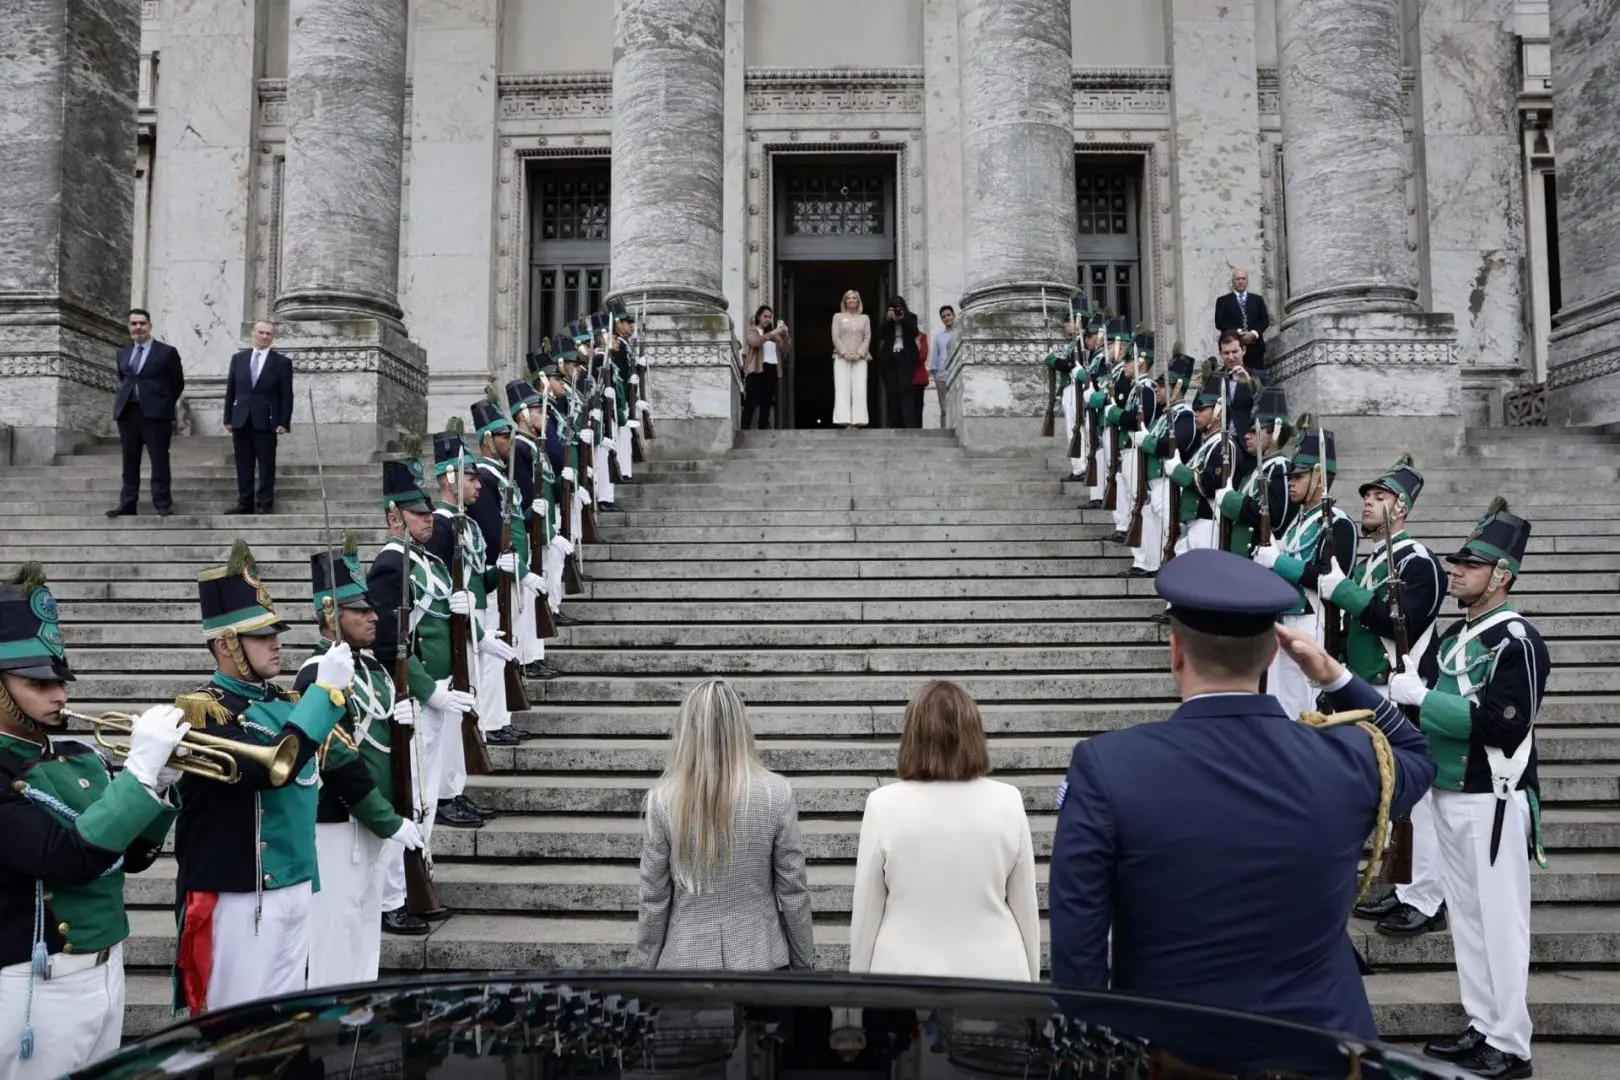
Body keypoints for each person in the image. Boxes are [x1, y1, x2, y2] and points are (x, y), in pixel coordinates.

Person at [1048, 549, 1436, 1069]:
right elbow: (1416, 754)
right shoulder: (1348, 759)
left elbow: (1079, 946)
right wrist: (1335, 677)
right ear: (1274, 655)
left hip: (1177, 1055)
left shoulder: (1108, 766)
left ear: (1176, 652)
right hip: (1321, 1052)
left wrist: (1090, 1050)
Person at [0, 564, 185, 1078]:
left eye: (60, 679)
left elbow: (131, 858)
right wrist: (138, 773)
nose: (60, 694)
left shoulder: (79, 757)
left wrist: (159, 784)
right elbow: (66, 858)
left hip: (108, 969)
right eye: (38, 682)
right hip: (38, 985)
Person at [1384, 500, 1545, 1079]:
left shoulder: (1517, 641)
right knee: (1470, 922)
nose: (1456, 571)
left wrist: (1424, 699)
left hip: (1492, 799)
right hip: (1448, 792)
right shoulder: (1459, 632)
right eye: (1457, 562)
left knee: (1500, 923)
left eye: (1471, 565)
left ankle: (1512, 1043)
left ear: (1501, 575)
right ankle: (1483, 1025)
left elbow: (1506, 723)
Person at [171, 540, 354, 1014]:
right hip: (242, 893)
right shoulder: (203, 711)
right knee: (238, 1027)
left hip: (294, 883)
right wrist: (324, 693)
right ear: (224, 644)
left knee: (285, 1027)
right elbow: (269, 767)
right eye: (261, 636)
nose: (277, 642)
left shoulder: (285, 703)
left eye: (275, 632)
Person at [849, 681, 1038, 980]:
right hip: (997, 975)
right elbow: (1026, 910)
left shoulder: (883, 805)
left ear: (914, 734)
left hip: (903, 975)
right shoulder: (1008, 801)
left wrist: (853, 1004)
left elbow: (864, 921)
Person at [298, 546, 426, 986]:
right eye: (359, 610)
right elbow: (336, 759)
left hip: (372, 819)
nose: (373, 616)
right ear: (331, 617)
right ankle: (331, 1027)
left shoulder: (371, 670)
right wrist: (386, 818)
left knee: (365, 926)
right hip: (339, 823)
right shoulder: (319, 671)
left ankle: (357, 1021)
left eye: (371, 608)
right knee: (336, 931)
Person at [1332, 459, 1449, 938]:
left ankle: (1426, 896)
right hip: (1370, 688)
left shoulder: (1417, 559)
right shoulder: (1376, 559)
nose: (1367, 501)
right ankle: (1403, 886)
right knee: (1390, 792)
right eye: (1367, 495)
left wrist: (1347, 594)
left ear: (1400, 508)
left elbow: (1400, 620)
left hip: (1400, 688)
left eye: (1378, 497)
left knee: (1417, 798)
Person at [629, 678, 814, 971]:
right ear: (741, 728)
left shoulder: (662, 801)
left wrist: (644, 968)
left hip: (686, 959)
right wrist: (805, 965)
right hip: (759, 956)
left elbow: (653, 898)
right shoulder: (776, 794)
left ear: (687, 731)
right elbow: (793, 891)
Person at [368, 458, 474, 935]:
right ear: (394, 518)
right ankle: (393, 897)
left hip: (437, 695)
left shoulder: (424, 561)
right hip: (415, 699)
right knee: (410, 801)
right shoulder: (391, 565)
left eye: (428, 511)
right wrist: (430, 693)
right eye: (416, 514)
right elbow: (390, 641)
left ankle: (413, 884)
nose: (428, 518)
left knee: (425, 801)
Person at [1252, 424, 1357, 721]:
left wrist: (1278, 562)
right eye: (1291, 477)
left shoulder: (1338, 524)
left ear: (1320, 477)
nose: (1291, 483)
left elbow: (1329, 581)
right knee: (1281, 699)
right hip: (1286, 618)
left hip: (1314, 620)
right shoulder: (1298, 524)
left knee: (1304, 702)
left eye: (1299, 477)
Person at [428, 429, 503, 826]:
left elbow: (473, 579)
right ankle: (443, 796)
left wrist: (496, 575)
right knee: (450, 719)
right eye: (470, 478)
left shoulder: (467, 525)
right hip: (454, 634)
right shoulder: (439, 528)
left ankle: (455, 789)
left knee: (461, 715)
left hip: (470, 630)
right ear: (448, 479)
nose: (478, 484)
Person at [467, 397, 529, 748]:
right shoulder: (488, 478)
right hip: (490, 582)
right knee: (489, 661)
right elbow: (492, 531)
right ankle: (491, 721)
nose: (510, 442)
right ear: (488, 439)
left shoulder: (496, 477)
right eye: (504, 437)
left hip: (499, 576)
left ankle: (499, 718)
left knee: (498, 655)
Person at [506, 379, 559, 680]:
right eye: (540, 411)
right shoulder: (520, 448)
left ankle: (534, 655)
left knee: (533, 599)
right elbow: (526, 494)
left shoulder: (532, 446)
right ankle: (527, 657)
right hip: (528, 530)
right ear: (524, 414)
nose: (546, 416)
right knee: (525, 604)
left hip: (541, 524)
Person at [108, 308, 184, 518]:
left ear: (150, 325)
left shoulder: (167, 352)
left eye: (142, 323)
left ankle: (162, 503)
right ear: (129, 327)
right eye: (134, 324)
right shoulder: (122, 353)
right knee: (129, 461)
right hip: (128, 412)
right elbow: (123, 378)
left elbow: (177, 383)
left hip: (156, 415)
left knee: (159, 460)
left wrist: (163, 405)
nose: (138, 327)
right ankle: (128, 503)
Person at [1136, 352, 1198, 575]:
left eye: (1163, 386)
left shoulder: (1185, 415)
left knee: (1168, 527)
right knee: (1154, 526)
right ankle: (1153, 564)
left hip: (1169, 481)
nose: (1157, 389)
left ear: (1177, 387)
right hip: (1155, 480)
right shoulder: (1165, 415)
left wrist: (1148, 442)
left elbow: (1175, 443)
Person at [223, 320, 294, 515]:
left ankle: (265, 502)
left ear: (273, 337)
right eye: (261, 332)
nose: (264, 337)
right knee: (243, 464)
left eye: (268, 334)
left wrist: (284, 422)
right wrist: (227, 417)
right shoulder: (238, 359)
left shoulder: (281, 363)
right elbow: (231, 390)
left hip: (267, 420)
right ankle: (244, 503)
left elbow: (287, 395)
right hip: (241, 419)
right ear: (253, 334)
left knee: (266, 464)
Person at [1214, 384, 1294, 557]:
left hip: (1257, 554)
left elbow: (1274, 516)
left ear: (1275, 433)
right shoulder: (1261, 468)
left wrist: (1231, 500)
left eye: (1255, 431)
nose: (1246, 436)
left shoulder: (1279, 467)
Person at [1215, 332, 1258, 479]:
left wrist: (1250, 384)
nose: (1231, 357)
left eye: (1235, 351)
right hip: (1221, 446)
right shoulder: (1214, 378)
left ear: (1244, 350)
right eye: (1226, 353)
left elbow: (1268, 405)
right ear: (1221, 354)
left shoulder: (1258, 376)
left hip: (1248, 446)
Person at [874, 297, 922, 429]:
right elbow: (879, 335)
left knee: (905, 388)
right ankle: (894, 421)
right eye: (894, 307)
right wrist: (889, 321)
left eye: (899, 307)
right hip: (889, 359)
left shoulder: (911, 317)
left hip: (906, 358)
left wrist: (903, 320)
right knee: (892, 391)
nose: (896, 310)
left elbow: (914, 332)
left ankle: (909, 422)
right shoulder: (887, 319)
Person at [1214, 268, 1270, 373]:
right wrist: (1239, 332)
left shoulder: (1257, 300)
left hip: (1256, 348)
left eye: (1243, 279)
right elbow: (1219, 322)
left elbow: (1264, 320)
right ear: (1233, 281)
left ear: (1247, 280)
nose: (1240, 281)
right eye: (1237, 279)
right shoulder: (1223, 301)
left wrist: (1253, 334)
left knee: (1256, 379)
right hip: (1234, 347)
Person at [743, 306, 790, 431]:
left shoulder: (775, 336)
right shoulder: (753, 331)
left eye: (770, 317)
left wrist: (785, 335)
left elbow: (786, 349)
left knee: (766, 402)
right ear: (759, 316)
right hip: (756, 369)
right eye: (765, 316)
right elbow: (755, 342)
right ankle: (744, 429)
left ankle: (763, 430)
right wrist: (771, 333)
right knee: (751, 401)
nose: (768, 319)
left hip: (771, 369)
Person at [831, 290, 871, 429]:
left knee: (859, 388)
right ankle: (845, 421)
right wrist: (844, 353)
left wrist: (860, 353)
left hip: (860, 358)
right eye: (849, 298)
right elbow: (835, 336)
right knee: (842, 388)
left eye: (854, 298)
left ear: (859, 301)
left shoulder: (865, 318)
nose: (852, 300)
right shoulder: (838, 317)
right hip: (842, 358)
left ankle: (857, 421)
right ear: (845, 301)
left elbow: (867, 336)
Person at [929, 305, 955, 427]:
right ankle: (944, 430)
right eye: (943, 317)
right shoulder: (939, 336)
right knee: (944, 407)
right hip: (942, 375)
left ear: (953, 315)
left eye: (948, 315)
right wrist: (936, 375)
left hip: (956, 373)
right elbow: (935, 357)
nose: (946, 318)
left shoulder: (960, 333)